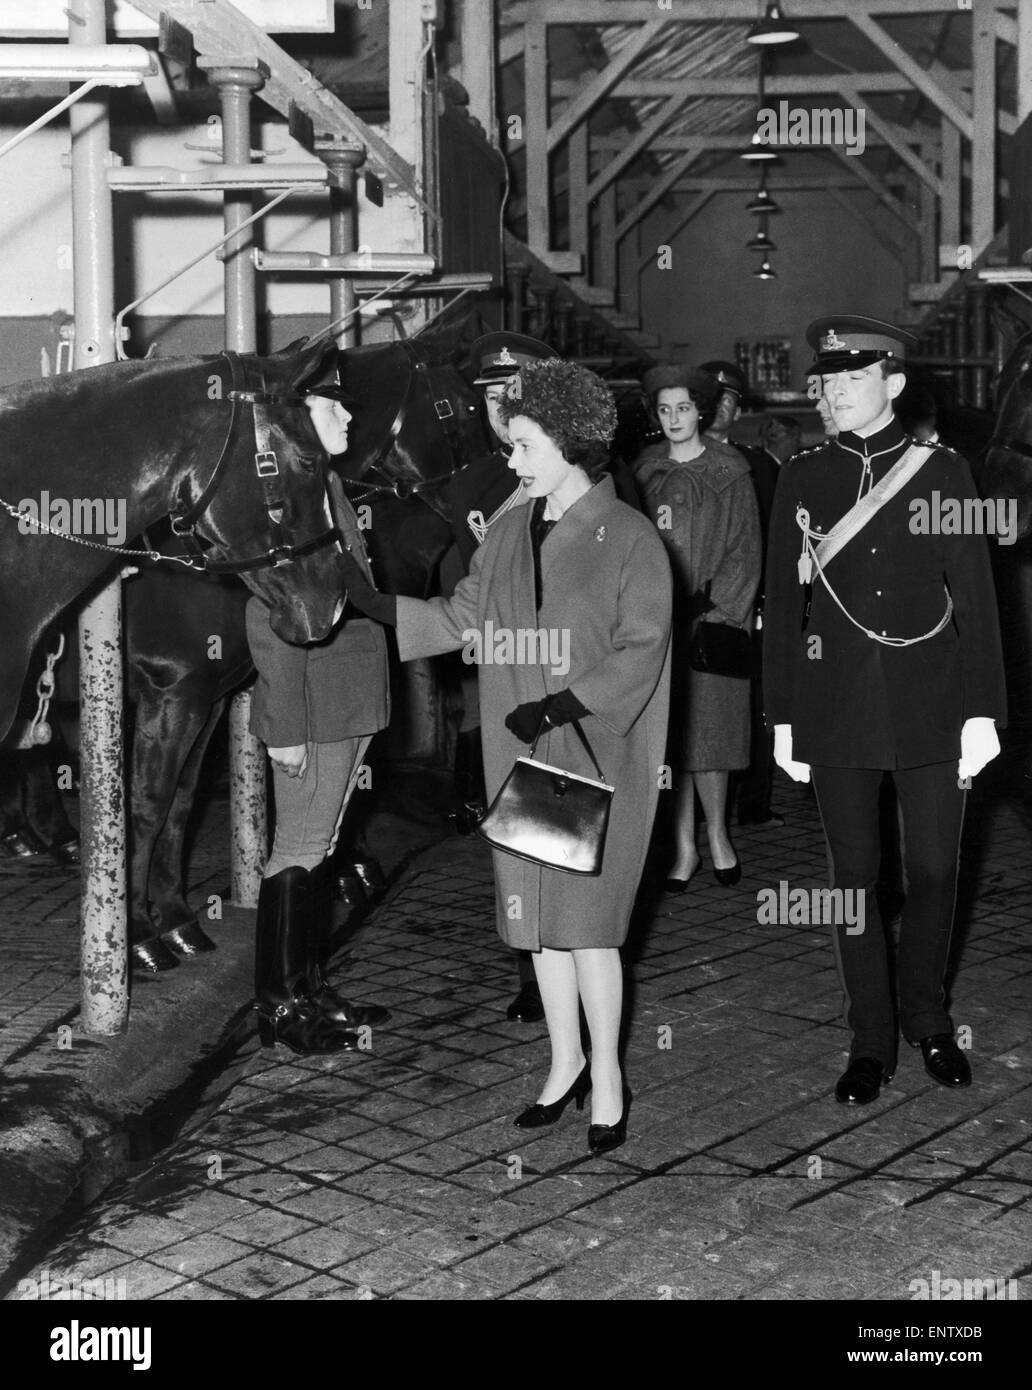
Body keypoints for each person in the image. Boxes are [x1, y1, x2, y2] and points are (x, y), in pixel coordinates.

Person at [341, 359, 672, 1154]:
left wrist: (562, 702)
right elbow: (463, 615)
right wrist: (374, 604)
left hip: (594, 750)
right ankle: (563, 1066)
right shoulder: (512, 528)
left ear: (569, 442)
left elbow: (644, 644)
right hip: (526, 755)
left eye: (524, 445)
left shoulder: (629, 536)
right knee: (543, 927)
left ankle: (610, 1082)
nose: (512, 460)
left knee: (591, 928)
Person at [764, 316, 1006, 1105]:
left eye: (851, 377)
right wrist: (783, 718)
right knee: (854, 880)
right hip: (835, 708)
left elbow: (976, 595)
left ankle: (928, 1018)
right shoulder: (803, 475)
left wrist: (983, 711)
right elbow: (783, 602)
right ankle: (870, 1038)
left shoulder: (944, 473)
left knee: (936, 871)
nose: (833, 391)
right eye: (826, 380)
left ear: (894, 382)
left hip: (933, 704)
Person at [246, 381, 391, 1055]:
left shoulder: (325, 486)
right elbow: (269, 617)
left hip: (345, 695)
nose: (351, 413)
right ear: (302, 417)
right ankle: (278, 1005)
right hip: (315, 704)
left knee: (323, 844)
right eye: (338, 405)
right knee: (299, 849)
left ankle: (306, 986)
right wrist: (285, 731)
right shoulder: (288, 504)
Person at [445, 331, 558, 1024]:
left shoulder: (589, 473)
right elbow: (468, 589)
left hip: (570, 677)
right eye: (490, 394)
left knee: (568, 827)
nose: (500, 406)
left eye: (513, 392)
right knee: (515, 830)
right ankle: (528, 966)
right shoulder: (469, 487)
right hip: (504, 680)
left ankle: (575, 955)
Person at [634, 364, 761, 889]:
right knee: (674, 747)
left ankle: (719, 836)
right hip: (659, 628)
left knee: (714, 739)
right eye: (664, 409)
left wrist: (717, 608)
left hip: (710, 626)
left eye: (683, 407)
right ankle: (684, 846)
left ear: (700, 410)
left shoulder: (730, 471)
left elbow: (745, 550)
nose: (674, 419)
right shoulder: (642, 472)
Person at [700, 360, 783, 831]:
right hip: (686, 612)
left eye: (730, 399)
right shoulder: (658, 462)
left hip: (750, 610)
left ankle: (753, 806)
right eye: (713, 399)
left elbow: (775, 538)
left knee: (755, 712)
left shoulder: (758, 466)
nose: (721, 408)